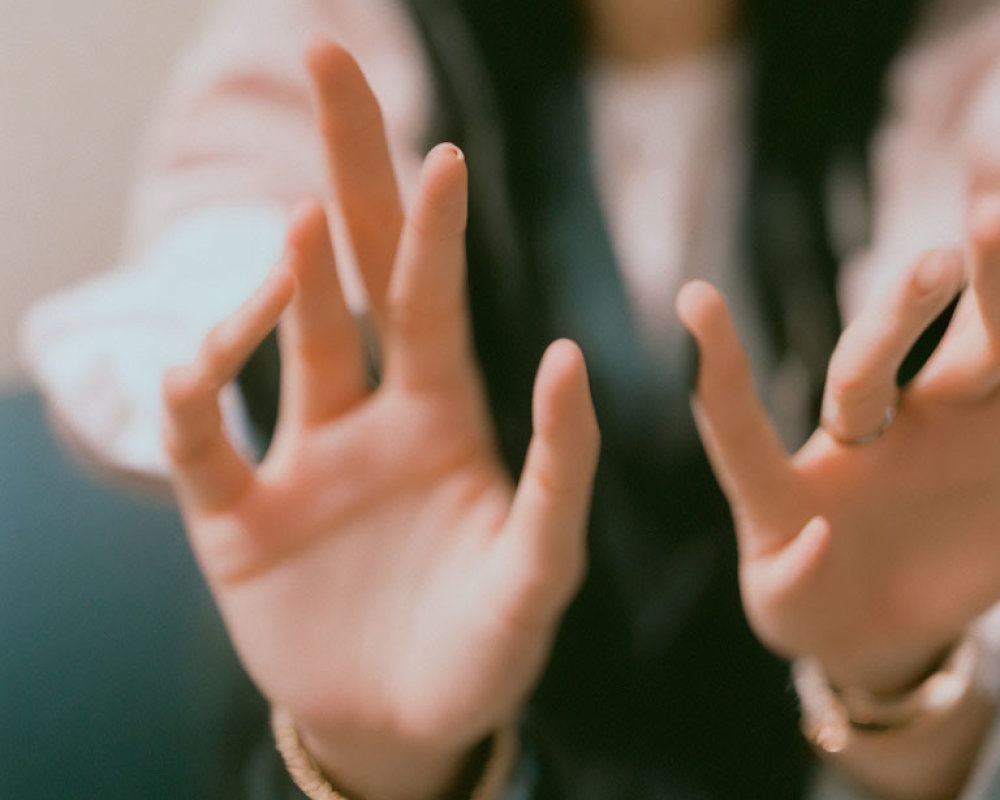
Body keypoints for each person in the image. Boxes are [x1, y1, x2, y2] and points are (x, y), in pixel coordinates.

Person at [19, 0, 1000, 798]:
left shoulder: (953, 56)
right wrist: (386, 757)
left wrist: (900, 678)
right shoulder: (353, 33)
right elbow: (219, 235)